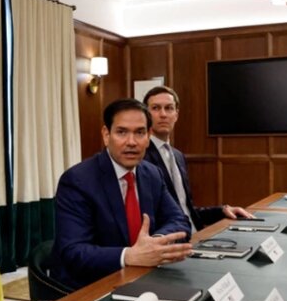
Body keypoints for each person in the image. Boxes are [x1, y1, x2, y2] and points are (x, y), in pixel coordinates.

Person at [51, 99, 193, 289]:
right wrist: (129, 255)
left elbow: (179, 220)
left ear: (149, 136)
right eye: (122, 132)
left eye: (140, 132)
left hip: (143, 277)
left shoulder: (151, 173)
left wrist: (154, 243)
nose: (131, 142)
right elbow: (73, 252)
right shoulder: (77, 181)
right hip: (90, 286)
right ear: (106, 135)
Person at [142, 85, 253, 232]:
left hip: (197, 234)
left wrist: (222, 210)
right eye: (156, 108)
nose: (163, 114)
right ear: (145, 115)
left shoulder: (178, 156)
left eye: (169, 108)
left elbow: (186, 210)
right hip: (172, 238)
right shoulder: (141, 158)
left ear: (176, 115)